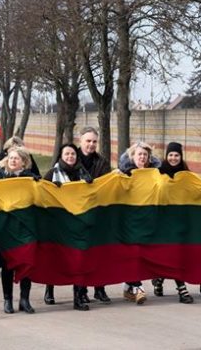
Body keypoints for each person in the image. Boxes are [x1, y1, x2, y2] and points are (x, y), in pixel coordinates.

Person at [42, 144, 95, 311]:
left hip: (78, 224)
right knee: (55, 259)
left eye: (73, 153)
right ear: (61, 155)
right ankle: (49, 290)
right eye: (67, 154)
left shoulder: (83, 173)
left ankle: (78, 297)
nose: (70, 156)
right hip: (58, 224)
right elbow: (42, 194)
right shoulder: (52, 173)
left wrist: (89, 185)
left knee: (80, 259)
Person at [0, 147, 39, 314]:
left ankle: (25, 299)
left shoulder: (30, 178)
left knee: (27, 261)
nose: (13, 160)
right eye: (11, 158)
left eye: (17, 158)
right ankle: (7, 299)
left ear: (24, 162)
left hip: (26, 228)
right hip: (6, 227)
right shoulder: (0, 176)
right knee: (7, 264)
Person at [116, 142, 160, 305]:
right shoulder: (124, 173)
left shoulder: (155, 173)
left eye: (145, 155)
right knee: (133, 253)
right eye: (139, 154)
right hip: (128, 220)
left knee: (141, 254)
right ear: (132, 156)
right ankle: (137, 287)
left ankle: (129, 286)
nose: (142, 157)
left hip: (147, 219)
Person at [152, 142, 195, 304]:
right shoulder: (158, 173)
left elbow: (197, 192)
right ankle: (182, 290)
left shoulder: (187, 175)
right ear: (166, 156)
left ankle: (160, 279)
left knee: (177, 255)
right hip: (162, 222)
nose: (173, 158)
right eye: (170, 155)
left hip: (180, 222)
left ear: (181, 156)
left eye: (176, 155)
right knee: (172, 255)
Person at [76, 127, 113, 303]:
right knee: (82, 254)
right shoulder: (70, 158)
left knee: (100, 253)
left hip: (98, 212)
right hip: (78, 213)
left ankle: (100, 288)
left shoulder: (102, 162)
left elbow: (108, 184)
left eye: (94, 141)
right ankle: (81, 290)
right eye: (88, 141)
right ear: (80, 140)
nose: (91, 144)